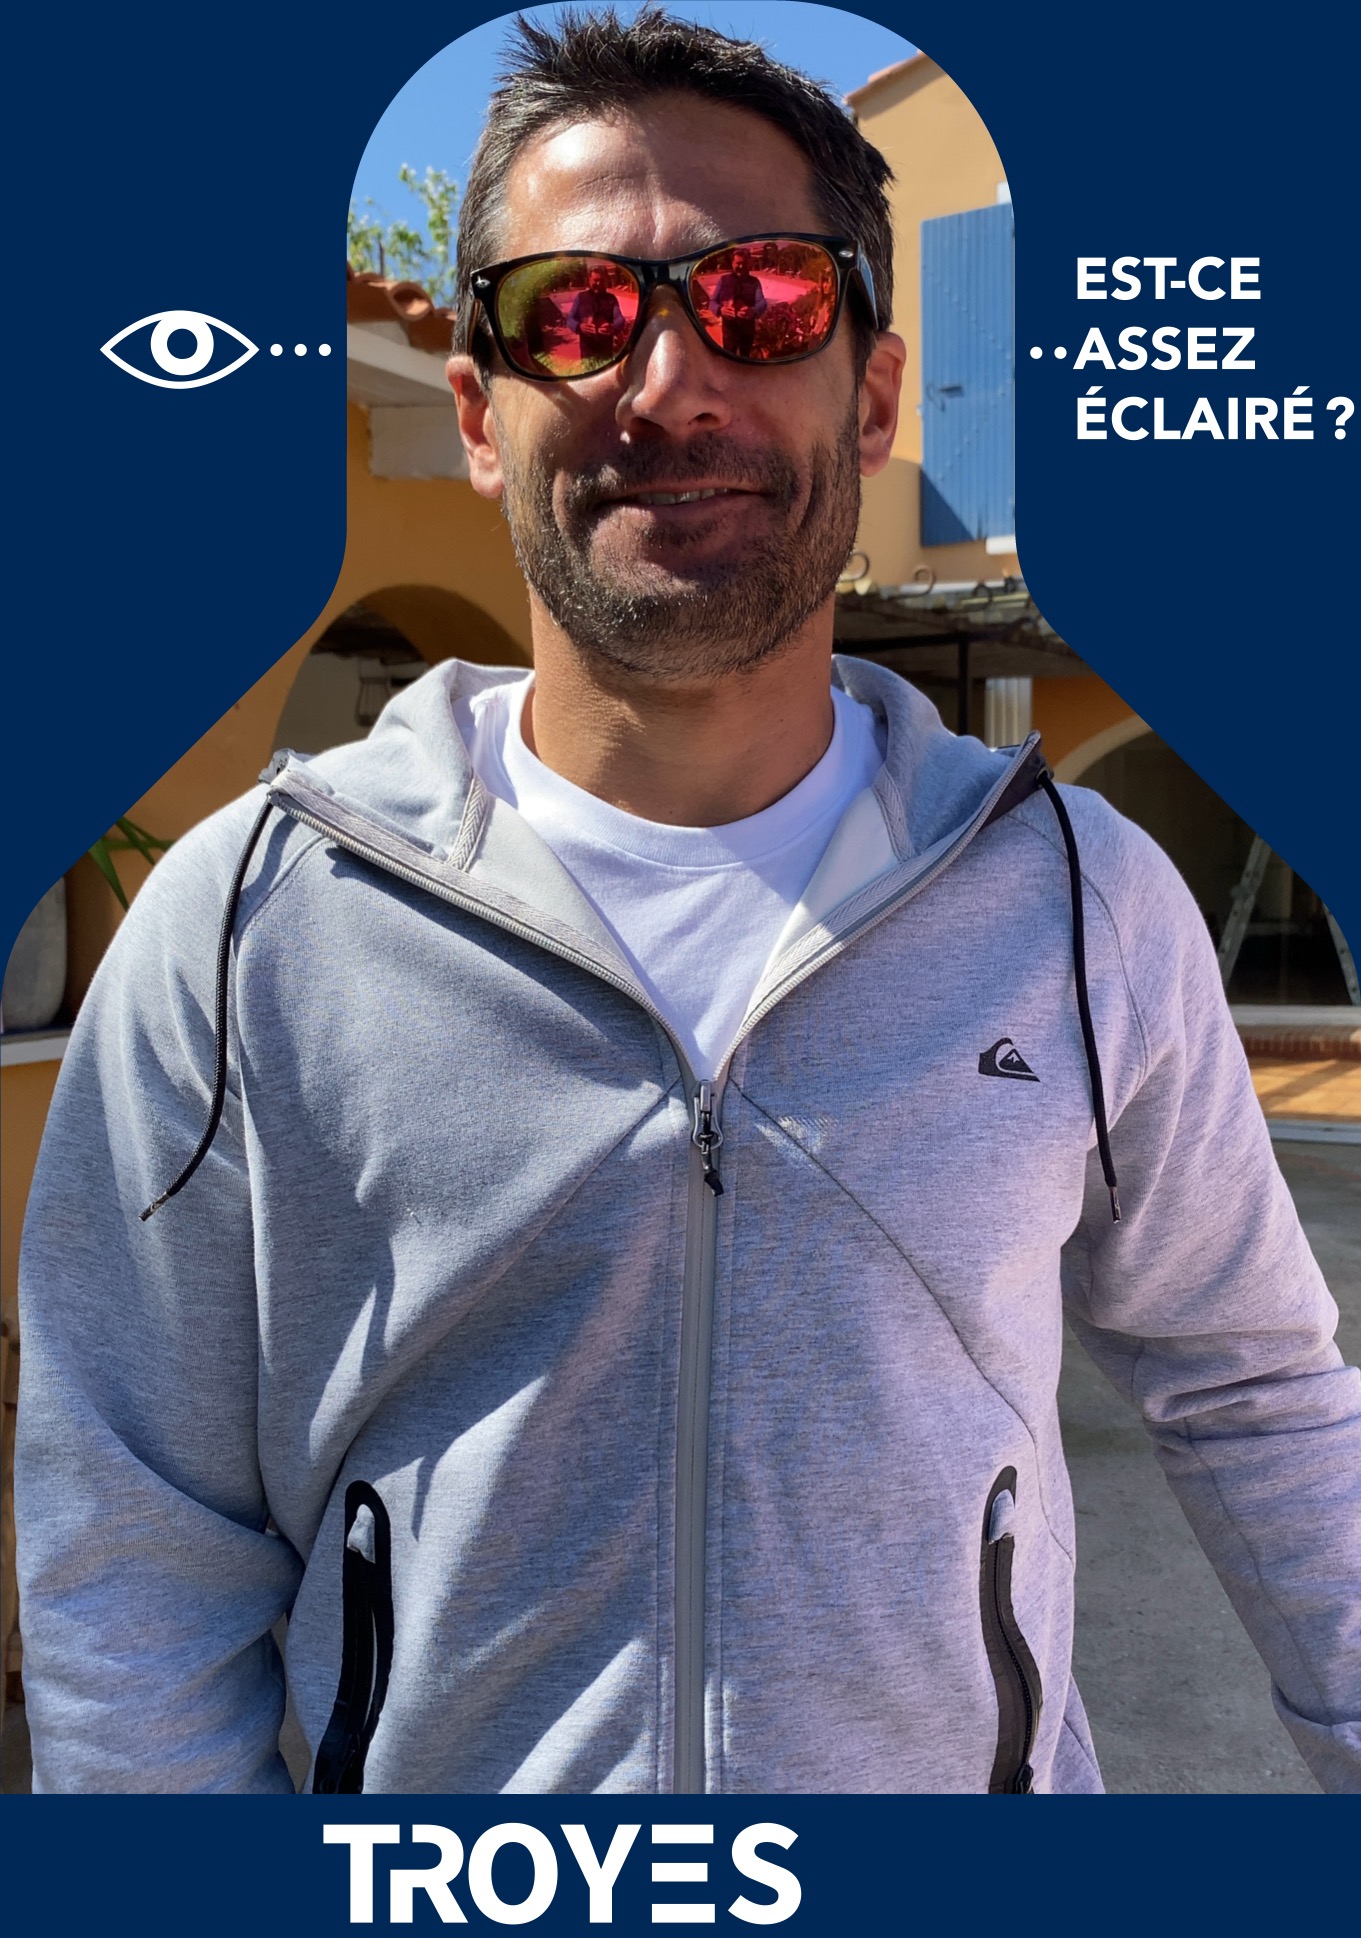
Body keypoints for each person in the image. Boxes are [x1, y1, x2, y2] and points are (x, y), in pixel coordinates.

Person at [15, 8, 1361, 1796]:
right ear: (481, 414)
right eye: (573, 311)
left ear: (872, 394)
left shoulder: (1080, 901)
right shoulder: (247, 921)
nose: (666, 384)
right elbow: (132, 1533)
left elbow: (1259, 1392)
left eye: (765, 299)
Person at [706, 243, 767, 358]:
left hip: (747, 332)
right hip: (729, 331)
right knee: (729, 360)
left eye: (744, 263)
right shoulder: (723, 280)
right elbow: (712, 302)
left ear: (748, 263)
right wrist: (720, 309)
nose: (741, 266)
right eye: (738, 263)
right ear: (732, 263)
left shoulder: (754, 282)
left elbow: (762, 302)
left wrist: (753, 311)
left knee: (745, 360)